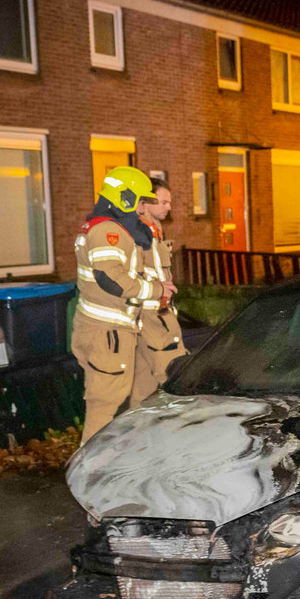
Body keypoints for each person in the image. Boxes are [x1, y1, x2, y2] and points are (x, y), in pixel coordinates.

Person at [71, 165, 169, 442]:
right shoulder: (106, 231)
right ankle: (90, 473)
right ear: (123, 198)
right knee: (103, 409)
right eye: (139, 201)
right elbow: (111, 280)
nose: (140, 209)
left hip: (113, 331)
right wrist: (157, 289)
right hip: (106, 333)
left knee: (136, 394)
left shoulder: (107, 227)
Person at [131, 177, 188, 404]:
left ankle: (135, 433)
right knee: (176, 377)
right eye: (163, 202)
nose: (169, 207)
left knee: (143, 387)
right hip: (154, 317)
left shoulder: (154, 231)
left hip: (151, 315)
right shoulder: (138, 233)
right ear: (145, 203)